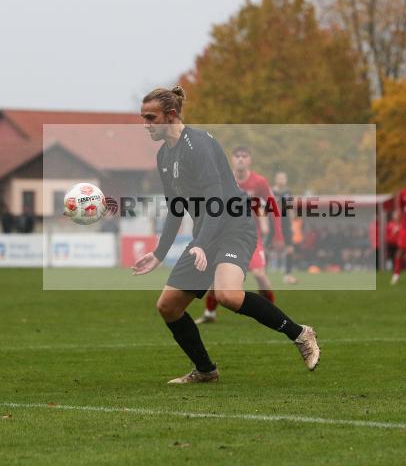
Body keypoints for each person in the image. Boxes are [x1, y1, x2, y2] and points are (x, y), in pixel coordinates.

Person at [131, 86, 319, 384]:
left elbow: (217, 199)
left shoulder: (199, 145)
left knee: (228, 295)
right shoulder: (164, 157)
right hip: (206, 233)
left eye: (151, 118)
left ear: (171, 115)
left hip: (233, 226)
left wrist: (202, 244)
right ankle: (206, 370)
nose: (146, 125)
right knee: (168, 307)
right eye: (143, 118)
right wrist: (158, 253)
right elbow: (175, 209)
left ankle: (300, 334)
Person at [196, 145, 284, 325]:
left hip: (250, 235)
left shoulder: (259, 182)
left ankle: (271, 314)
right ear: (232, 159)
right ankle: (210, 313)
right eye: (237, 156)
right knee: (217, 277)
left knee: (259, 274)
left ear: (250, 159)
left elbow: (273, 206)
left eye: (244, 156)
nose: (241, 159)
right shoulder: (223, 180)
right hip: (225, 235)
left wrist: (278, 235)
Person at [270, 171, 298, 285]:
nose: (281, 180)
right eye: (279, 178)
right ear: (276, 179)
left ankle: (288, 274)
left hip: (285, 222)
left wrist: (292, 224)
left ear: (286, 180)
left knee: (290, 248)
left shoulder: (288, 192)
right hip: (272, 221)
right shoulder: (271, 191)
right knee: (266, 246)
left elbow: (290, 209)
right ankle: (261, 272)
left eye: (283, 178)